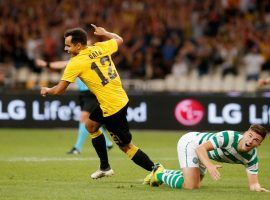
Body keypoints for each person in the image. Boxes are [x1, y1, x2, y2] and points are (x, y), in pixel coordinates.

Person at [40, 24, 155, 179]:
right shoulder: (100, 47)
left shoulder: (75, 62)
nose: (66, 49)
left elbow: (60, 90)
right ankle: (105, 167)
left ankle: (156, 170)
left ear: (79, 45)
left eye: (68, 46)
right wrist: (105, 32)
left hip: (112, 106)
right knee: (91, 125)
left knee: (126, 147)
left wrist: (47, 90)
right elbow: (118, 39)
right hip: (119, 98)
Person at [144, 124, 269, 192]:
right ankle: (159, 173)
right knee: (191, 185)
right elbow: (200, 149)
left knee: (195, 181)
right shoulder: (228, 137)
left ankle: (162, 170)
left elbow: (254, 185)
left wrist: (258, 189)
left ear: (259, 144)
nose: (250, 140)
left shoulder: (251, 158)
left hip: (203, 154)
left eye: (256, 140)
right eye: (250, 135)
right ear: (246, 132)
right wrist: (210, 166)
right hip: (192, 144)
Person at [35, 59, 113, 154]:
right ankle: (107, 143)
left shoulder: (88, 58)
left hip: (92, 94)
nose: (67, 49)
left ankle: (77, 147)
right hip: (83, 94)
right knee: (91, 121)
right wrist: (47, 64)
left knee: (83, 118)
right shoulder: (76, 60)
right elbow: (61, 64)